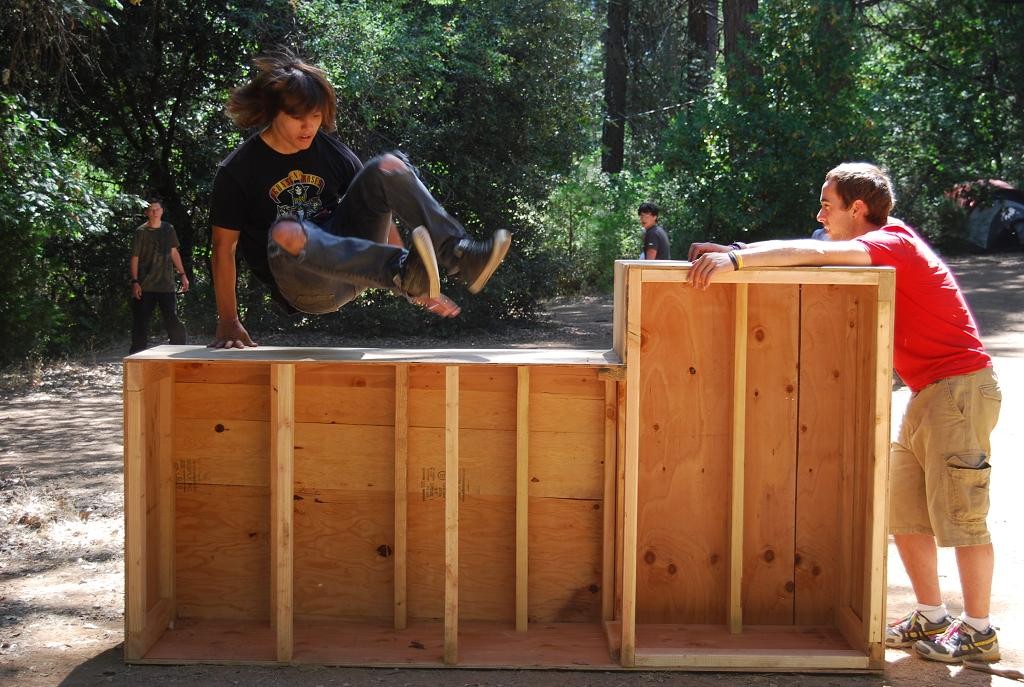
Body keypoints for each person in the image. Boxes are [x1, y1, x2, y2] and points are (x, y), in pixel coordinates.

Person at [688, 162, 1002, 664]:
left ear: (858, 209)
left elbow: (813, 251)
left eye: (827, 204)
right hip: (929, 393)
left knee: (964, 515)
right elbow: (811, 255)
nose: (819, 215)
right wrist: (739, 254)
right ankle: (930, 615)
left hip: (959, 391)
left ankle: (980, 630)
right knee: (906, 513)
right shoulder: (878, 248)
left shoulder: (892, 242)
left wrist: (738, 259)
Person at [208, 50, 511, 349]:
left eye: (315, 117)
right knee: (285, 230)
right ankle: (397, 270)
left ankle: (459, 255)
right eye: (297, 118)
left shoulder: (328, 151)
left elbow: (378, 207)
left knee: (388, 167)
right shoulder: (238, 171)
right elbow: (224, 249)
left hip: (354, 270)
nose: (308, 127)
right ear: (273, 112)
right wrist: (229, 320)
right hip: (307, 286)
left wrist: (415, 288)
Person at [129, 197, 189, 354]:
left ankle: (178, 352)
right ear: (147, 212)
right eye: (152, 210)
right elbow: (134, 257)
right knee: (140, 323)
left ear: (162, 211)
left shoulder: (168, 229)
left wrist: (182, 274)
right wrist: (135, 281)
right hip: (145, 285)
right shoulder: (141, 232)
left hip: (166, 284)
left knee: (172, 320)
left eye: (157, 209)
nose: (155, 213)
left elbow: (174, 252)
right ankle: (136, 356)